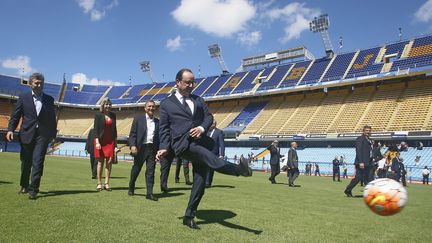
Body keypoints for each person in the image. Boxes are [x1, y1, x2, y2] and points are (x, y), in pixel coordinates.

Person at [156, 68, 252, 229]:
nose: (191, 85)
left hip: (201, 141)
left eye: (193, 82)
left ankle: (189, 215)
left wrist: (201, 128)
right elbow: (164, 128)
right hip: (183, 145)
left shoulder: (198, 100)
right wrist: (164, 147)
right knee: (208, 157)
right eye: (187, 82)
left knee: (199, 182)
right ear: (178, 82)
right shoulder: (166, 104)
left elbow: (209, 117)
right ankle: (238, 170)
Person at [6, 73, 57, 200]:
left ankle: (34, 189)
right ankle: (24, 185)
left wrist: (53, 135)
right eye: (36, 83)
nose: (39, 85)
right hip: (27, 134)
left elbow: (52, 118)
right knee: (26, 162)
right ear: (30, 83)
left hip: (42, 136)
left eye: (41, 83)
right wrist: (10, 129)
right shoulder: (23, 97)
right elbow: (16, 115)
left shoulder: (49, 100)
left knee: (38, 162)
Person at [127, 100, 159, 201]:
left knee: (151, 171)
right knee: (136, 169)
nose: (151, 108)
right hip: (140, 149)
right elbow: (132, 134)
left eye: (153, 106)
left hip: (152, 149)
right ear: (145, 108)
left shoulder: (158, 122)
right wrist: (132, 146)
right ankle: (131, 186)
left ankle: (149, 193)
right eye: (149, 106)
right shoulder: (138, 119)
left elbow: (159, 137)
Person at [94, 98, 117, 192]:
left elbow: (115, 130)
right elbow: (95, 129)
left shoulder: (113, 115)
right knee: (100, 162)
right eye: (106, 104)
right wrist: (97, 142)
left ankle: (107, 183)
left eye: (109, 104)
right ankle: (99, 183)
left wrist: (115, 145)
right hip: (100, 141)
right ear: (102, 105)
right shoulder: (98, 115)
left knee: (109, 162)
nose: (108, 106)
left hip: (110, 141)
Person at [344, 125, 372, 197]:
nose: (368, 132)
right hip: (361, 163)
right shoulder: (360, 139)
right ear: (363, 131)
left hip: (367, 163)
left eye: (369, 131)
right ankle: (348, 190)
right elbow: (358, 151)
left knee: (367, 179)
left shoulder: (369, 140)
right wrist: (360, 162)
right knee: (358, 178)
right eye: (366, 131)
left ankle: (371, 193)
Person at [206, 120, 225, 188]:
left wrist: (221, 155)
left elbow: (222, 144)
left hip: (214, 153)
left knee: (210, 168)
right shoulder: (206, 131)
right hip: (205, 152)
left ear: (215, 124)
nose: (211, 124)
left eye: (212, 123)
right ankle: (204, 182)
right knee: (204, 168)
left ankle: (208, 183)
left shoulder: (219, 132)